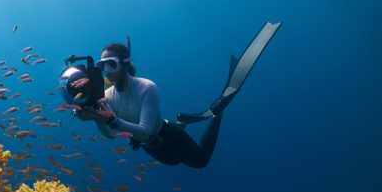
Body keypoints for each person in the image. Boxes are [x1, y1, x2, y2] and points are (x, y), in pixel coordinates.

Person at [74, 22, 281, 168]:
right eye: (102, 65)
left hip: (165, 133)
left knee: (200, 161)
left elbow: (144, 131)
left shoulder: (146, 87)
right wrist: (96, 119)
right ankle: (184, 122)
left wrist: (113, 121)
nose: (106, 71)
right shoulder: (107, 97)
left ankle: (217, 114)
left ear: (125, 64)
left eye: (111, 64)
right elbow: (110, 135)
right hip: (147, 145)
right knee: (173, 163)